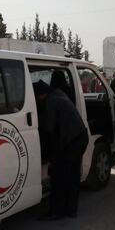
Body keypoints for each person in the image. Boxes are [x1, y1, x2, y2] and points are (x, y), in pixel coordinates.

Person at [33, 79, 89, 221]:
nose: (38, 101)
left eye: (37, 98)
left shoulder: (51, 102)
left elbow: (49, 127)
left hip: (72, 142)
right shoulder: (58, 94)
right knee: (73, 176)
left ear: (41, 95)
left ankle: (56, 212)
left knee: (59, 176)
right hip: (81, 137)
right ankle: (71, 210)